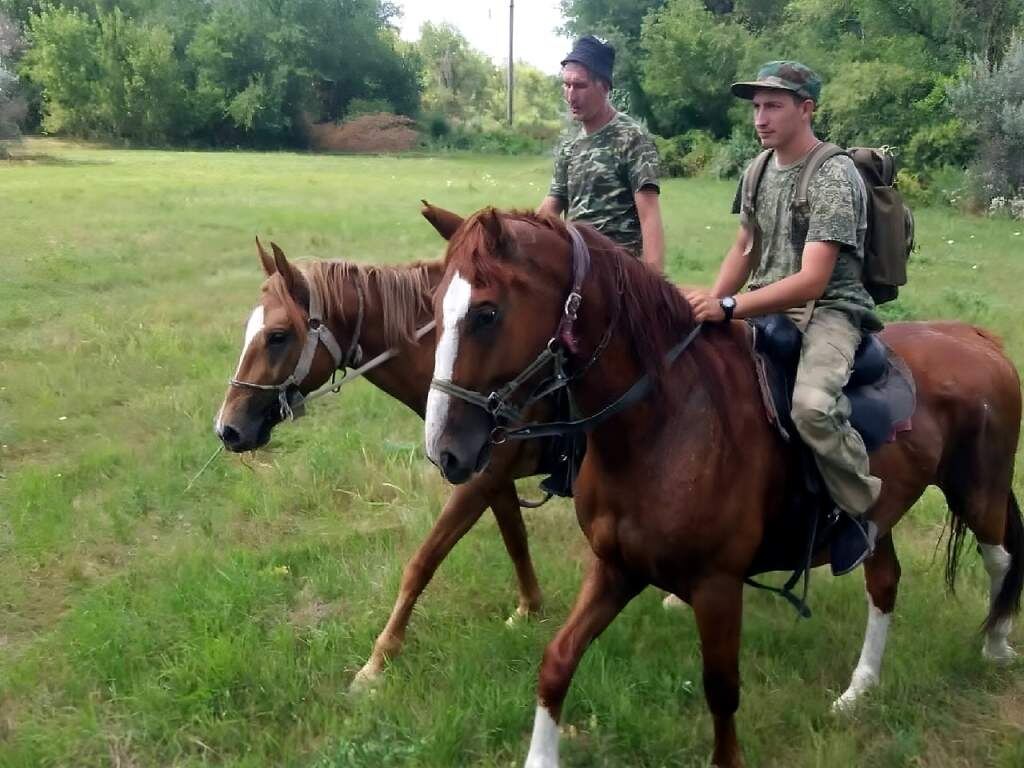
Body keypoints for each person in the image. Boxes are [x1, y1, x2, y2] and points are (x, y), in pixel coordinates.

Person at [684, 61, 881, 574]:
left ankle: (860, 513)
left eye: (773, 106)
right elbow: (746, 247)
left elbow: (814, 280)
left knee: (813, 407)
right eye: (756, 107)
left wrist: (729, 308)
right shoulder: (758, 169)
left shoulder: (834, 174)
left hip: (829, 311)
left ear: (806, 109)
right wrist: (709, 301)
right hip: (762, 302)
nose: (760, 118)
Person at [537, 35, 665, 272]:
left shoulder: (632, 138)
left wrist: (653, 285)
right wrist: (516, 235)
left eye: (580, 85)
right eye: (566, 85)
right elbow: (552, 205)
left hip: (619, 274)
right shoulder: (570, 147)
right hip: (577, 271)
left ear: (604, 86)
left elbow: (649, 216)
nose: (571, 95)